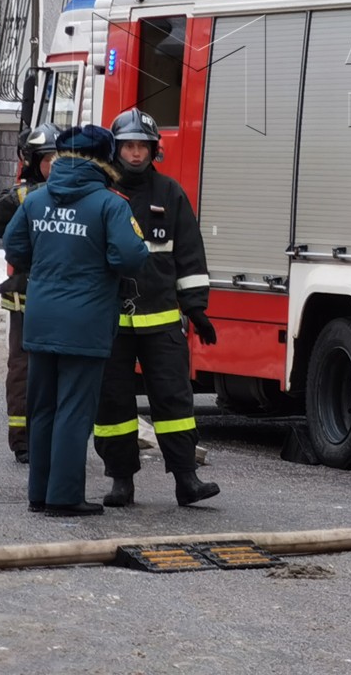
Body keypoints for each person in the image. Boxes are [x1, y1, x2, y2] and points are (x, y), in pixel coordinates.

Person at [2, 124, 150, 517]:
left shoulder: (37, 200)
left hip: (40, 316)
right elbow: (130, 256)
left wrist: (49, 266)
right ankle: (64, 497)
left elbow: (14, 245)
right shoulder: (109, 204)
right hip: (85, 321)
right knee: (74, 409)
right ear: (105, 161)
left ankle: (40, 494)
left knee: (43, 406)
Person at [95, 108, 221, 509]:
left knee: (175, 403)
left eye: (142, 147)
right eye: (129, 146)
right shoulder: (100, 194)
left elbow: (189, 255)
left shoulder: (170, 194)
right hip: (111, 322)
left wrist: (197, 309)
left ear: (154, 150)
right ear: (116, 149)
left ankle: (187, 480)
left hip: (163, 320)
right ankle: (120, 482)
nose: (135, 154)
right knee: (113, 405)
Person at [0, 123, 60, 463]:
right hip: (26, 299)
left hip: (62, 297)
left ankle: (55, 434)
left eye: (61, 158)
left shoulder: (73, 195)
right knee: (23, 369)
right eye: (49, 159)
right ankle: (23, 439)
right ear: (32, 161)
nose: (56, 165)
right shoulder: (22, 196)